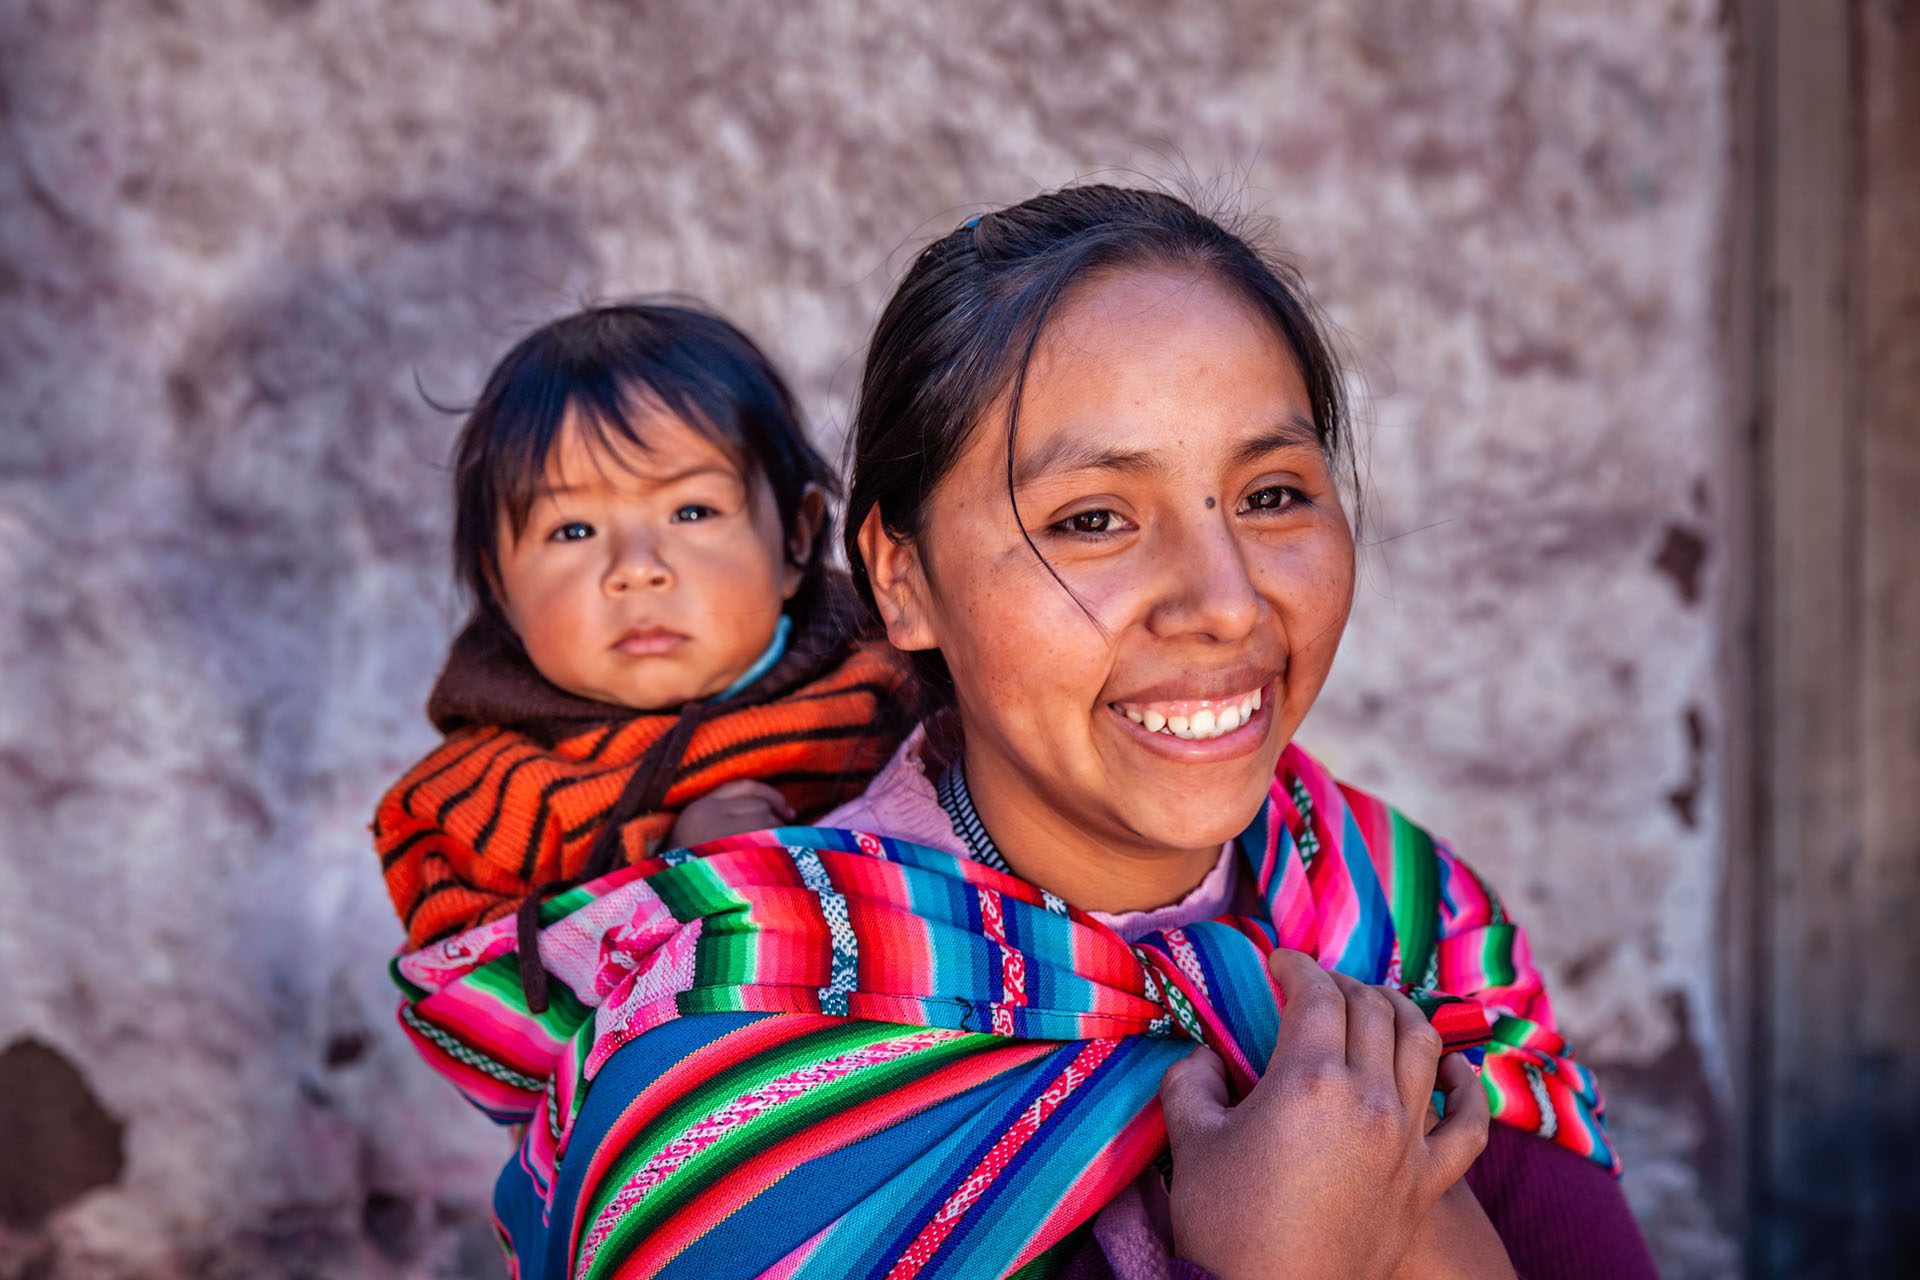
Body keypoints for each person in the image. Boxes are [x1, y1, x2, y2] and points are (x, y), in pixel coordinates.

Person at [390, 193, 1658, 1279]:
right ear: (902, 578)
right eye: (1094, 517)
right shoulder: (736, 1005)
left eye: (1271, 495)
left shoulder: (1397, 909)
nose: (1224, 599)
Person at [371, 302, 913, 1011]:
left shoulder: (892, 685)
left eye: (691, 512)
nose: (635, 568)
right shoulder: (479, 798)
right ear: (500, 585)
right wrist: (666, 868)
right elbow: (474, 1001)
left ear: (797, 541)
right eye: (573, 529)